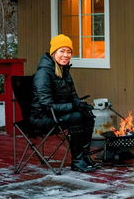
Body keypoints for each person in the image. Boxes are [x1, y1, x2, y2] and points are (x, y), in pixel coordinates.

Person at [30, 34, 99, 172]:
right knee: (77, 117)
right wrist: (73, 106)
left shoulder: (64, 70)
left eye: (69, 52)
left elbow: (73, 96)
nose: (66, 55)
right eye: (62, 51)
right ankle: (77, 160)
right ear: (53, 52)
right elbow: (46, 106)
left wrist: (79, 104)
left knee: (87, 114)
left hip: (58, 112)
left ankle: (84, 156)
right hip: (42, 116)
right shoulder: (44, 73)